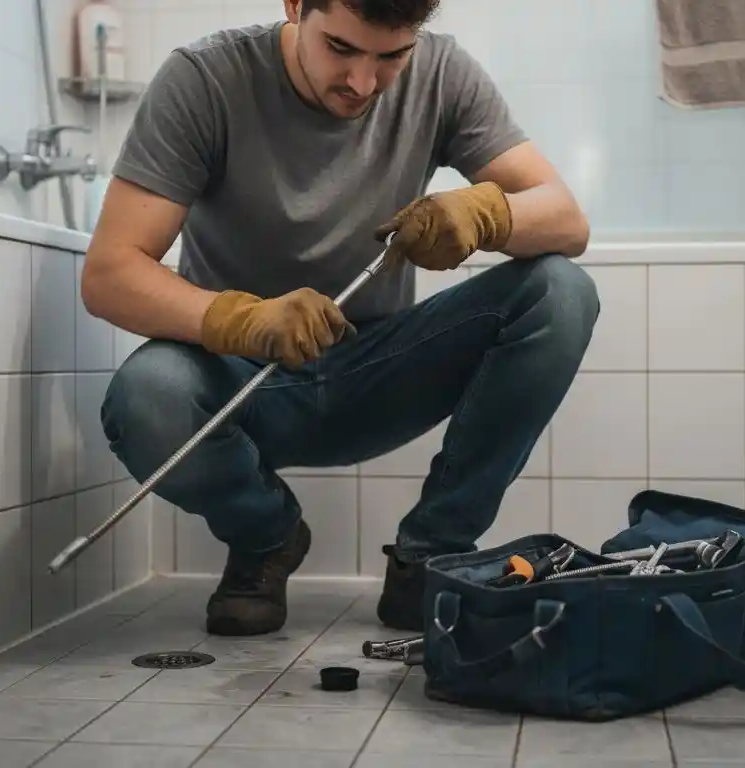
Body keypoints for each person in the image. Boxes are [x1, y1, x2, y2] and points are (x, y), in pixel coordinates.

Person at [81, 0, 600, 637]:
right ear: (295, 6)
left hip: (377, 370)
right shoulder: (205, 79)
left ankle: (429, 557)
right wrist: (243, 320)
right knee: (147, 395)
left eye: (391, 57)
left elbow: (568, 222)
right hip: (236, 381)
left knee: (561, 290)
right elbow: (109, 274)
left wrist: (488, 215)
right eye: (341, 49)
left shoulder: (442, 73)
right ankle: (266, 537)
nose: (363, 83)